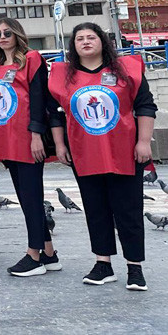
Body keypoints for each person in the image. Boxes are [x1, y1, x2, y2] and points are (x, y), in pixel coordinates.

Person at [48, 23, 156, 291]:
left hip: (124, 151)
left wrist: (143, 142)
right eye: (79, 38)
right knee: (95, 209)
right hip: (84, 154)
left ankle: (135, 267)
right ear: (73, 46)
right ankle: (103, 263)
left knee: (128, 210)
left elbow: (145, 106)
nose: (85, 42)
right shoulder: (64, 76)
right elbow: (55, 114)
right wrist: (60, 145)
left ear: (103, 42)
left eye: (91, 37)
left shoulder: (127, 71)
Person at [0, 17, 59, 277]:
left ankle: (34, 255)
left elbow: (39, 97)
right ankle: (49, 253)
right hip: (5, 138)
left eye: (7, 32)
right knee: (27, 197)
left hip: (27, 138)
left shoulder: (32, 59)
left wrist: (37, 134)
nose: (2, 37)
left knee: (31, 197)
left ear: (17, 33)